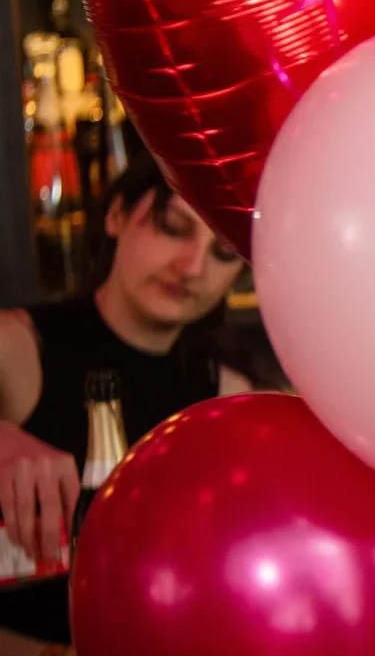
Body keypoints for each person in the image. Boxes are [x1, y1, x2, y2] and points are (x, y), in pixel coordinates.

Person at [0, 152, 248, 564]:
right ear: (116, 215)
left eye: (223, 253)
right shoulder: (20, 344)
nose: (192, 267)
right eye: (172, 227)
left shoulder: (225, 393)